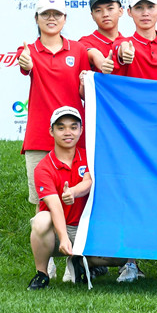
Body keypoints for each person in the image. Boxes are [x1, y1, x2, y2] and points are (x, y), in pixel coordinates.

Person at [103, 0, 157, 284]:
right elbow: (114, 68)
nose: (146, 13)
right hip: (132, 137)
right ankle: (130, 262)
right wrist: (120, 56)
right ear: (130, 12)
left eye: (150, 7)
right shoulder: (122, 44)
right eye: (139, 7)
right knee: (131, 196)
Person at [18, 0, 90, 206]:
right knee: (44, 202)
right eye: (45, 14)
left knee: (75, 199)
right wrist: (26, 63)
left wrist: (84, 86)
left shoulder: (78, 50)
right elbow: (25, 65)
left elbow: (84, 94)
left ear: (65, 18)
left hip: (73, 135)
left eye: (57, 14)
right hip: (39, 137)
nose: (51, 18)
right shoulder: (27, 50)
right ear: (36, 18)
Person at [27, 107, 93, 290]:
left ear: (81, 130)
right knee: (41, 220)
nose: (68, 132)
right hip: (58, 231)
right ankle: (42, 274)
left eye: (73, 127)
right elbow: (54, 205)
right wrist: (63, 238)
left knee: (116, 259)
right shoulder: (43, 167)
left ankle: (78, 262)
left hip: (85, 228)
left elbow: (88, 181)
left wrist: (73, 192)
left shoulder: (90, 156)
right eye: (61, 127)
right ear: (51, 131)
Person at [79, 0, 125, 73]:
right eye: (98, 10)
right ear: (92, 16)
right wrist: (102, 63)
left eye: (110, 8)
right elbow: (93, 54)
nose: (105, 14)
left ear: (120, 11)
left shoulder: (128, 42)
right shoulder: (85, 42)